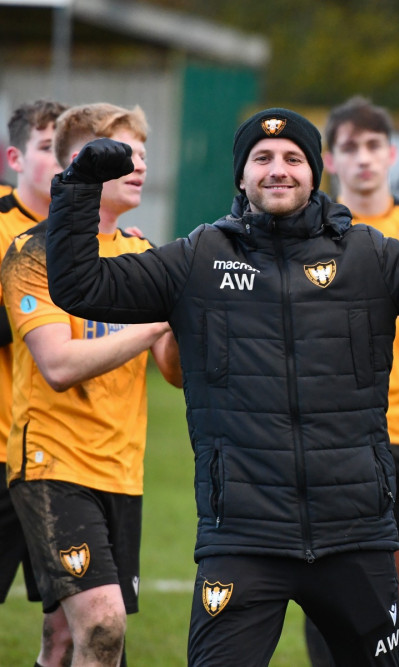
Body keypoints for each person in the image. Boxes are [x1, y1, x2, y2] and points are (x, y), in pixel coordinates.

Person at [43, 106, 399, 665]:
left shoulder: (369, 255)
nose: (279, 169)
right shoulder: (198, 258)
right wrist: (78, 188)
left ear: (315, 172)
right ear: (241, 177)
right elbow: (80, 286)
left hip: (356, 534)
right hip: (243, 539)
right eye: (262, 158)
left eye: (294, 158)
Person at [2, 102, 181, 666]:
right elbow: (57, 366)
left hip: (122, 472)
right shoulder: (34, 251)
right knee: (103, 627)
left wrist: (189, 316)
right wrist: (158, 319)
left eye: (146, 156)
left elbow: (173, 372)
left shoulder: (144, 255)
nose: (141, 166)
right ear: (83, 162)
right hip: (53, 466)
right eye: (126, 155)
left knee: (62, 641)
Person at [300, 96, 399, 662]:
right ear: (332, 161)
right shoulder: (310, 228)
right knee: (328, 577)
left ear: (391, 154)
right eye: (350, 148)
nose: (364, 158)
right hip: (332, 433)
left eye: (374, 146)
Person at [0, 99, 71, 665]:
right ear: (14, 158)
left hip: (68, 462)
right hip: (3, 453)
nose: (64, 162)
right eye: (50, 149)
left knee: (75, 629)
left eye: (72, 151)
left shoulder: (102, 236)